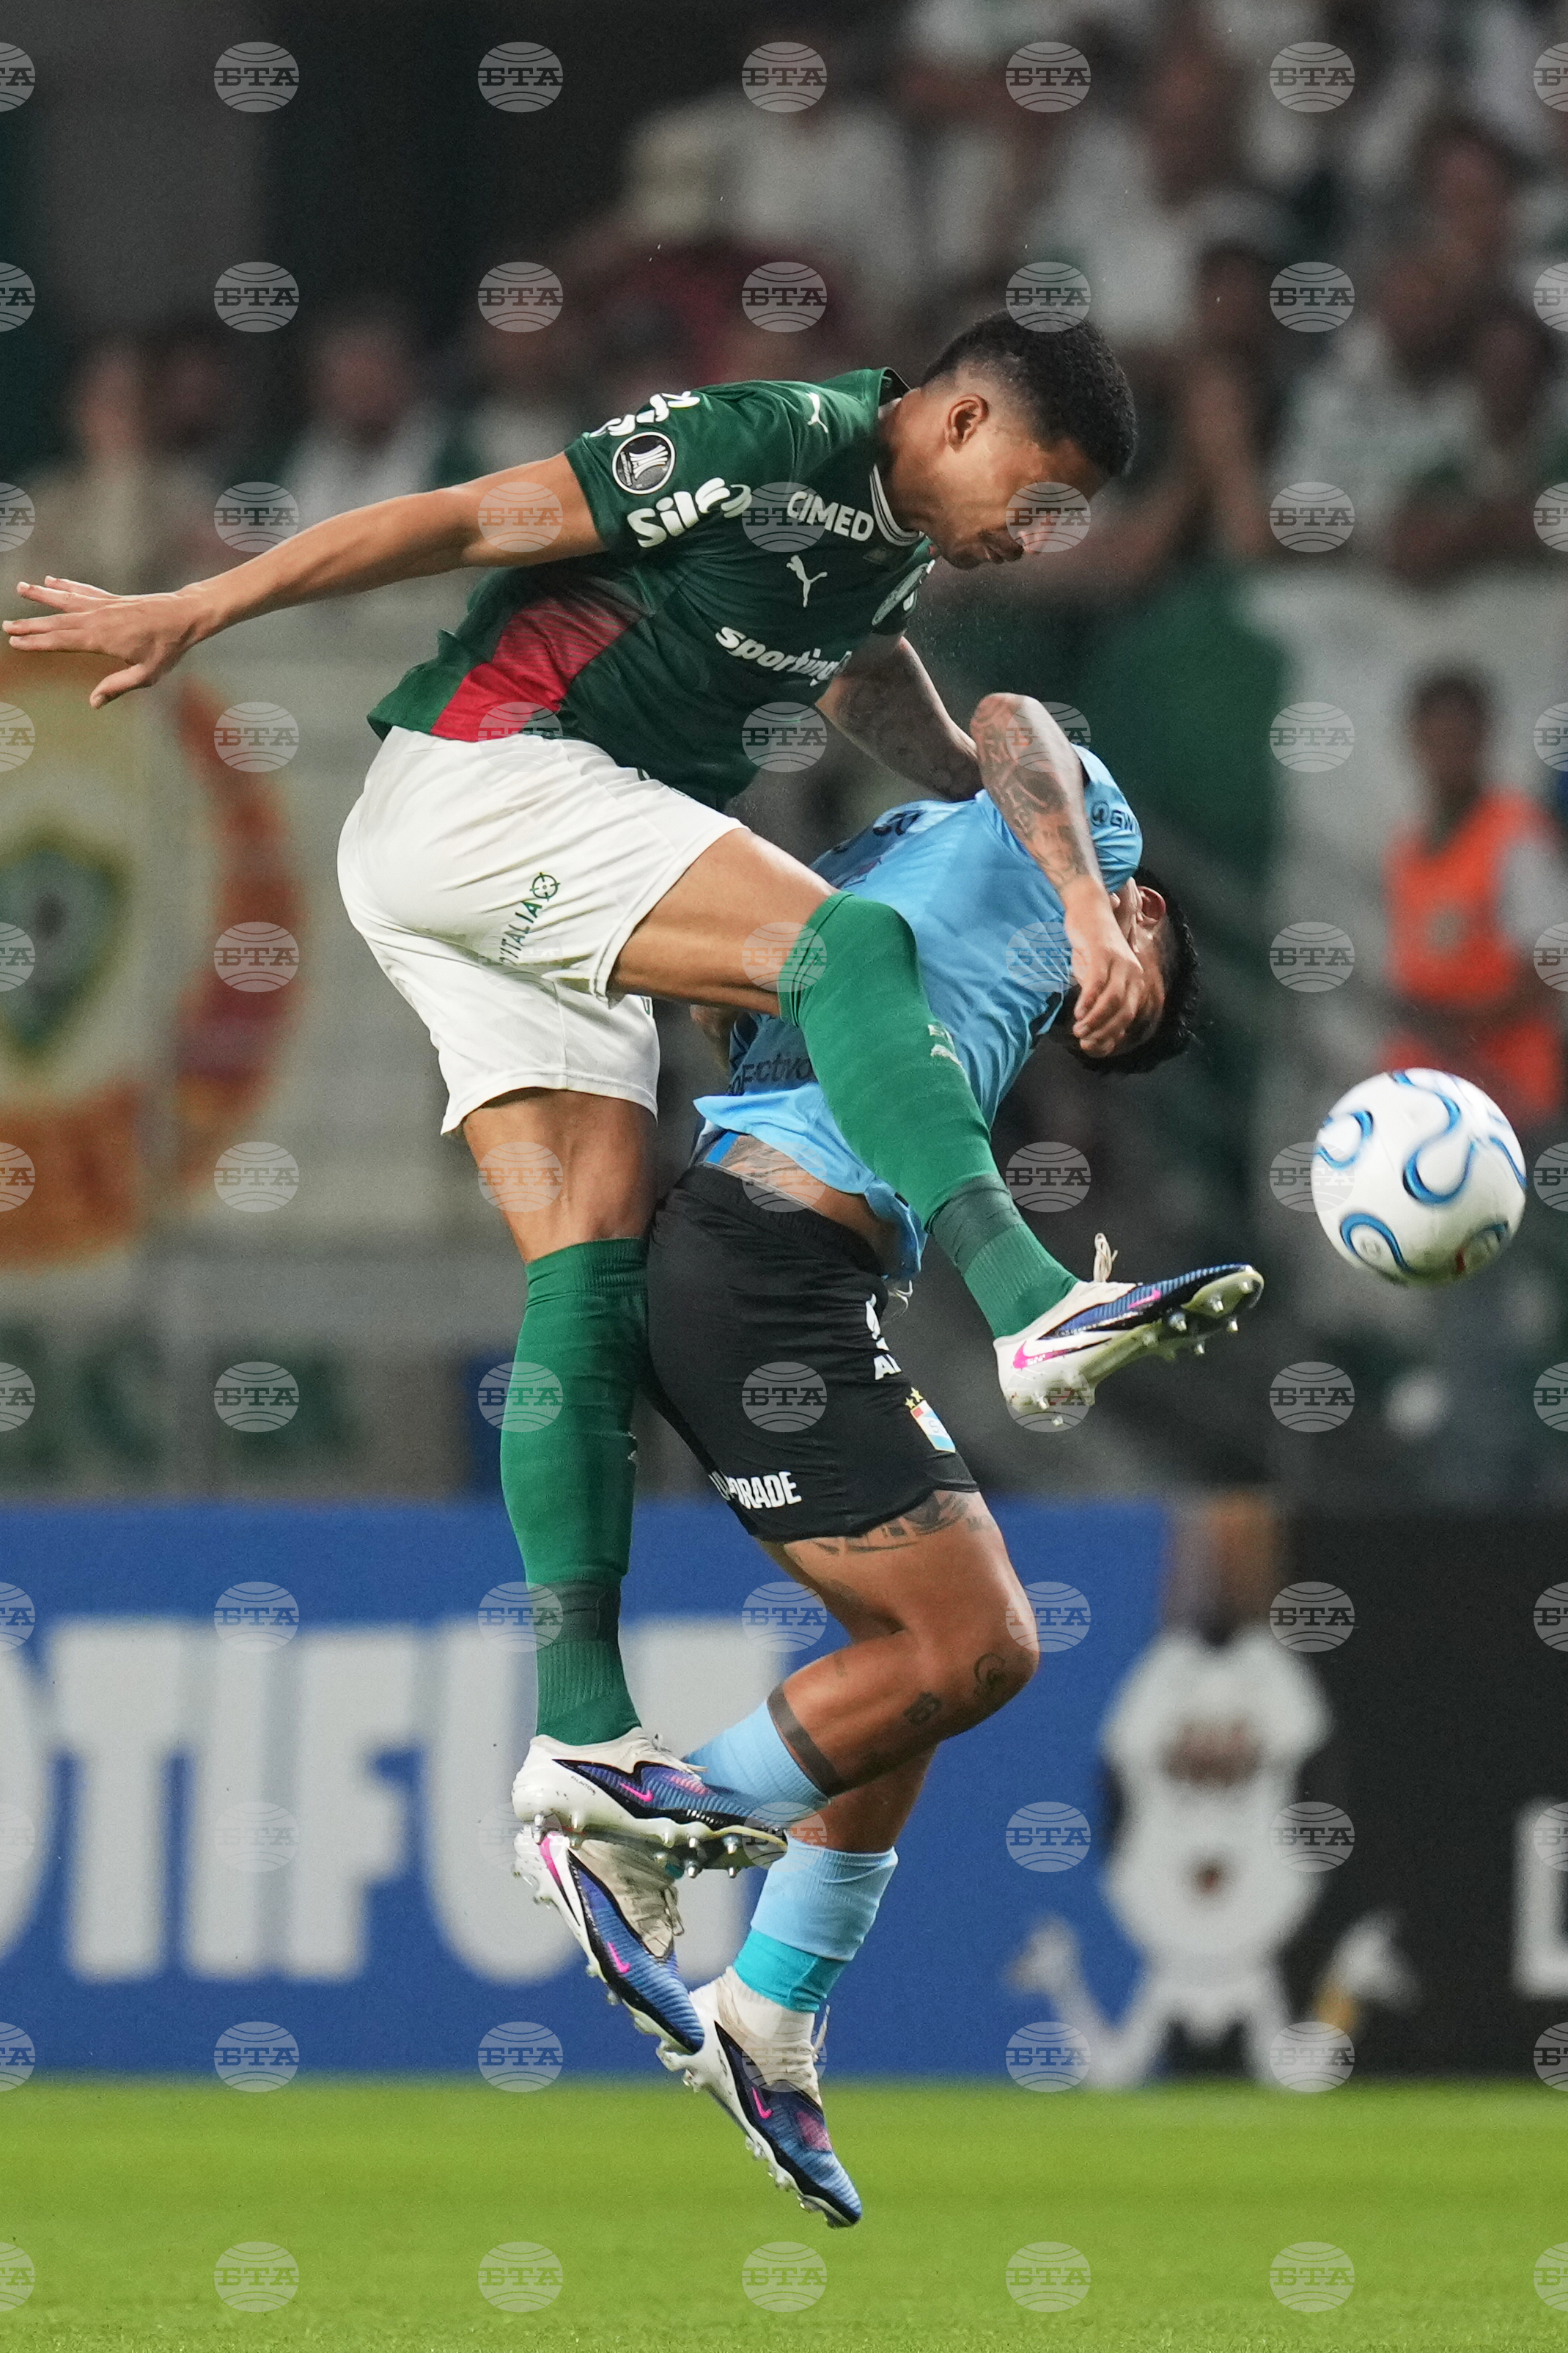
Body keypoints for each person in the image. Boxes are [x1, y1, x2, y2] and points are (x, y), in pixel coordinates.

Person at [5, 312, 1251, 1945]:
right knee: (846, 947)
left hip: (483, 874)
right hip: (491, 781)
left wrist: (973, 789)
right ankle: (1027, 1305)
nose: (1039, 531)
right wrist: (208, 603)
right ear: (956, 417)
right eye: (1038, 486)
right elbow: (469, 517)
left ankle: (581, 1736)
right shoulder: (767, 436)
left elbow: (867, 675)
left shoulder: (874, 550)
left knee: (586, 1260)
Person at [509, 694, 1261, 2227]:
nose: (1085, 989)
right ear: (1143, 903)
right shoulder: (1080, 828)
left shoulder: (892, 860)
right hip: (759, 1268)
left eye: (1093, 1004)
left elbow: (865, 737)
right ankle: (631, 1807)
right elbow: (1005, 716)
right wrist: (1076, 902)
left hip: (796, 1279)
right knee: (981, 1643)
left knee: (921, 1655)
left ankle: (769, 2008)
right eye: (1122, 970)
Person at [1383, 667, 1568, 1134]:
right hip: (1425, 1093)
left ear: (1485, 737)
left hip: (1508, 1095)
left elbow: (1548, 971)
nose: (1448, 752)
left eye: (1459, 737)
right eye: (1436, 737)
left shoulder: (1517, 836)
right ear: (1414, 741)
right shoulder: (1407, 849)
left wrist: (1460, 1022)